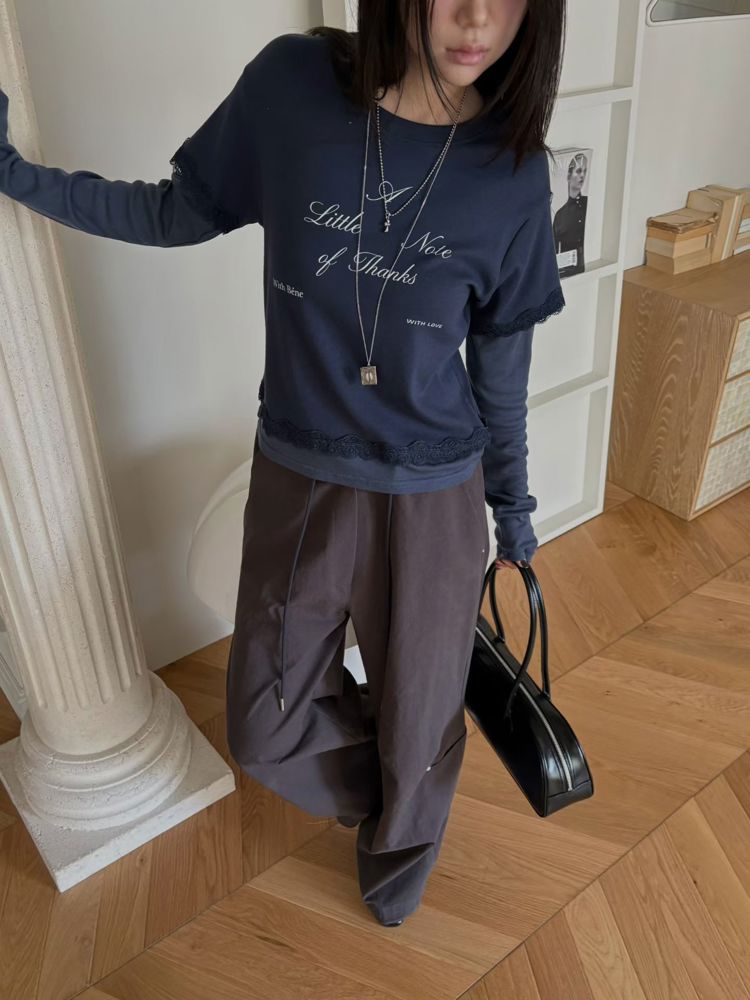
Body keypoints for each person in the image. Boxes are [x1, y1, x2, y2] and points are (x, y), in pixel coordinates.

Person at [0, 0, 566, 927]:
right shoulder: (293, 87)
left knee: (420, 717)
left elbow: (501, 371)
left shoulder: (511, 169)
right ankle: (396, 794)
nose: (477, 19)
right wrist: (18, 177)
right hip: (300, 472)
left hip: (434, 495)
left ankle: (399, 859)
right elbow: (174, 211)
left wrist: (513, 508)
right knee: (267, 724)